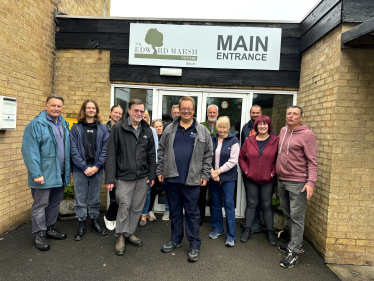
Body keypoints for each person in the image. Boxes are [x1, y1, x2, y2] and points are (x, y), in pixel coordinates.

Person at [157, 96, 213, 262]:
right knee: (174, 212)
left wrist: (205, 175)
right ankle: (175, 239)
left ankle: (194, 244)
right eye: (183, 108)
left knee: (192, 214)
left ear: (193, 110)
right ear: (179, 110)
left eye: (189, 108)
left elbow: (208, 155)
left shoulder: (202, 131)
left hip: (192, 181)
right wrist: (159, 169)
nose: (186, 111)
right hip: (172, 179)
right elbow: (161, 150)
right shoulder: (169, 128)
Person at [105, 99, 156, 256]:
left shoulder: (147, 130)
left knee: (136, 207)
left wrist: (152, 174)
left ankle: (129, 232)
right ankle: (120, 235)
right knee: (124, 206)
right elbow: (111, 154)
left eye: (142, 111)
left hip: (142, 177)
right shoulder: (118, 128)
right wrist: (110, 179)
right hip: (123, 177)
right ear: (129, 111)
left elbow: (151, 154)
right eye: (136, 111)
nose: (139, 114)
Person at [21, 94, 71, 251]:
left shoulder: (64, 123)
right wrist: (36, 173)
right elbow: (29, 151)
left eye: (59, 106)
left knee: (54, 202)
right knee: (40, 204)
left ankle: (50, 227)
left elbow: (67, 150)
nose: (56, 108)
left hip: (60, 173)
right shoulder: (35, 125)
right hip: (43, 174)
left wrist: (68, 170)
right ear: (46, 106)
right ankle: (39, 233)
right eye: (53, 105)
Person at [277, 106, 318, 268]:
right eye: (289, 113)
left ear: (301, 118)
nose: (291, 116)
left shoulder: (307, 135)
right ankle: (296, 244)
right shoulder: (283, 131)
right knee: (288, 214)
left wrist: (311, 182)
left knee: (297, 217)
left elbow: (312, 161)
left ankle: (293, 252)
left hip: (298, 182)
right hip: (283, 180)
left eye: (295, 114)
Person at [70, 99, 109, 241]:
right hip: (81, 169)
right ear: (84, 110)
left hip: (97, 168)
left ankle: (94, 221)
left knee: (95, 197)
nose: (91, 110)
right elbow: (73, 150)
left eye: (93, 108)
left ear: (96, 110)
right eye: (88, 108)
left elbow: (106, 149)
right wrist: (84, 167)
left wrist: (97, 166)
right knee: (80, 198)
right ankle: (81, 222)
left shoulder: (103, 129)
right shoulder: (75, 128)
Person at [239, 115, 279, 246]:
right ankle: (247, 230)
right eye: (260, 124)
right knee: (251, 204)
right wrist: (246, 171)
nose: (262, 126)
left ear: (269, 126)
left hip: (268, 180)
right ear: (256, 126)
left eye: (265, 124)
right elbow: (241, 158)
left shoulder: (276, 140)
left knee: (266, 205)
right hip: (251, 178)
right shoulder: (249, 140)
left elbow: (279, 159)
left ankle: (270, 233)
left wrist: (273, 173)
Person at [209, 116, 239, 247]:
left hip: (228, 178)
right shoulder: (212, 139)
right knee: (215, 203)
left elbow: (233, 161)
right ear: (216, 127)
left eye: (224, 127)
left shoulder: (234, 140)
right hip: (213, 177)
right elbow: (206, 156)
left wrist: (218, 171)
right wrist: (212, 173)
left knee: (228, 205)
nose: (221, 129)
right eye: (219, 126)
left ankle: (231, 235)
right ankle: (218, 229)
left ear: (228, 128)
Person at [240, 104, 263, 234]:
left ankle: (257, 223)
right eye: (253, 112)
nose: (255, 115)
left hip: (261, 169)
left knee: (258, 198)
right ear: (250, 113)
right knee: (250, 197)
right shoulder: (245, 127)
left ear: (261, 113)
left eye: (257, 112)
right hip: (248, 168)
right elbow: (243, 148)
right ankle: (251, 221)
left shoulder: (266, 127)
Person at [198, 104, 219, 225]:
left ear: (217, 114)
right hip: (203, 165)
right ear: (207, 113)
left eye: (214, 113)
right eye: (210, 112)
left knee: (214, 195)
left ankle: (214, 218)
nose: (212, 114)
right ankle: (199, 217)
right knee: (201, 194)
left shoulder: (220, 126)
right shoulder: (201, 126)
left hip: (217, 167)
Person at [104, 105, 123, 231]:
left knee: (121, 196)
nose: (117, 115)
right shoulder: (104, 129)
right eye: (115, 112)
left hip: (121, 166)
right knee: (114, 196)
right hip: (109, 165)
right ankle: (109, 217)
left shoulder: (123, 128)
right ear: (110, 112)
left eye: (120, 113)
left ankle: (115, 216)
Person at [139, 110, 159, 227]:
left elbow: (155, 151)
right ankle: (135, 215)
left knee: (146, 192)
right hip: (135, 168)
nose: (143, 119)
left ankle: (143, 215)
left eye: (145, 117)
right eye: (141, 116)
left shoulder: (152, 131)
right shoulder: (133, 130)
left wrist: (153, 169)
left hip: (147, 168)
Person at [147, 119, 170, 221]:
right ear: (153, 128)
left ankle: (167, 211)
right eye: (156, 126)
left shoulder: (166, 138)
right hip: (153, 169)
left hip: (164, 169)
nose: (159, 128)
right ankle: (149, 211)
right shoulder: (150, 138)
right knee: (151, 190)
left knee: (167, 189)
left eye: (161, 126)